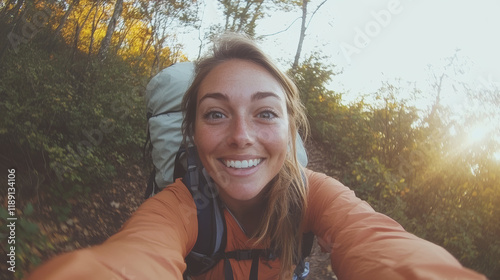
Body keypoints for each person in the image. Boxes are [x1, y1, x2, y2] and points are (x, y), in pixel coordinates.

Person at [27, 33, 486, 280]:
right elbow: (131, 258)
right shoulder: (177, 207)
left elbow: (380, 246)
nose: (241, 136)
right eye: (216, 114)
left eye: (265, 112)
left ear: (291, 127)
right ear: (192, 131)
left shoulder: (318, 195)